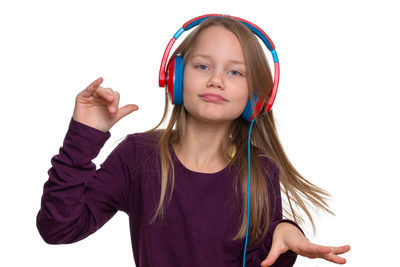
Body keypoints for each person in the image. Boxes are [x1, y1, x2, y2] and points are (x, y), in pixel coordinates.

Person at [36, 15, 350, 266]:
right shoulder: (137, 155)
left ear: (255, 99)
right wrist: (83, 137)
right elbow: (58, 228)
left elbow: (262, 258)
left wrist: (284, 231)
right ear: (175, 77)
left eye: (235, 73)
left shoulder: (259, 170)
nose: (216, 79)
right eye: (202, 66)